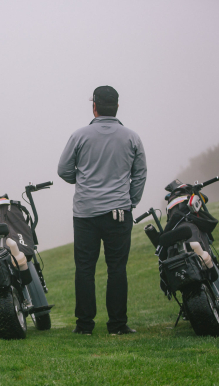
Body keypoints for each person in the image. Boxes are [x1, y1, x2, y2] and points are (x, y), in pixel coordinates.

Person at [57, 86, 147, 335]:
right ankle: (117, 325)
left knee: (85, 269)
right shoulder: (131, 137)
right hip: (119, 212)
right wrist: (131, 201)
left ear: (94, 106)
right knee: (117, 268)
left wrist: (84, 179)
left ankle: (84, 325)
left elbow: (63, 170)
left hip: (85, 213)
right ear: (117, 106)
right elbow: (140, 174)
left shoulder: (79, 136)